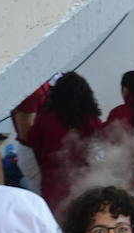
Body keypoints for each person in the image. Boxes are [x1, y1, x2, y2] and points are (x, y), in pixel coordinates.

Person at [20, 71, 104, 212]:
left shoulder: (44, 119)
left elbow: (34, 143)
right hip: (85, 184)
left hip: (53, 186)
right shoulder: (91, 119)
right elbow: (101, 145)